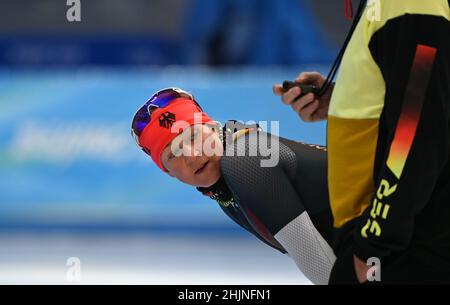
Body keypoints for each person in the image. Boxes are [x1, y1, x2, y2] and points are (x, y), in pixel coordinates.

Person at [274, 0, 450, 284]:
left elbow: (416, 133)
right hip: (390, 243)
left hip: (402, 249)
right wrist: (341, 98)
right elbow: (416, 104)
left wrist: (373, 246)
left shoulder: (411, 3)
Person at [131, 87, 336, 284]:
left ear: (213, 127)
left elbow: (320, 265)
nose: (191, 156)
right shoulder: (226, 189)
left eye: (193, 136)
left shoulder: (244, 157)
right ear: (168, 172)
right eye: (173, 154)